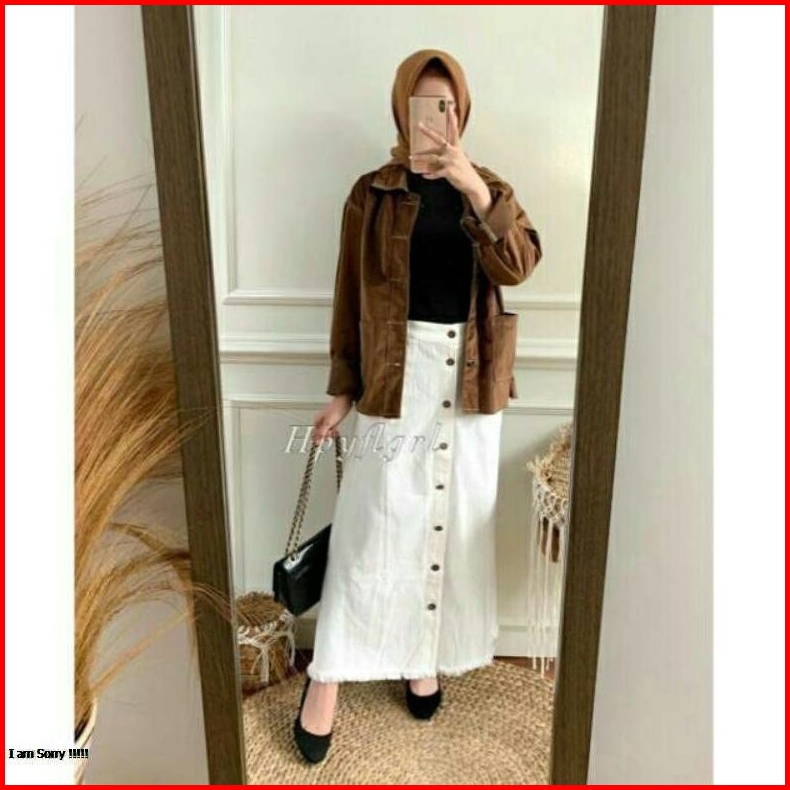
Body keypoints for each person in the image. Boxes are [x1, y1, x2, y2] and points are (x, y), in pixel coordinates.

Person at [293, 48, 543, 764]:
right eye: (424, 107)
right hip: (393, 375)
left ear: (463, 113)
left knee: (449, 525)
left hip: (470, 379)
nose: (437, 120)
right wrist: (342, 390)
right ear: (401, 112)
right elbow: (349, 293)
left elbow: (519, 266)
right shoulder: (370, 193)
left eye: (449, 108)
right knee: (373, 529)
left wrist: (472, 189)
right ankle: (327, 676)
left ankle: (421, 659)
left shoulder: (489, 188)